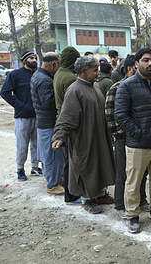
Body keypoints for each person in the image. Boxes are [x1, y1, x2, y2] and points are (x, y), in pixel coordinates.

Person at [115, 48, 151, 233]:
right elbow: (121, 115)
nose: (150, 63)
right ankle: (132, 215)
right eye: (145, 60)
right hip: (138, 144)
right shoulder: (127, 86)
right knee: (133, 182)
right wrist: (138, 133)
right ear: (136, 64)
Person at [52, 56, 115, 214]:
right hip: (84, 140)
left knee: (101, 164)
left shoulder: (95, 88)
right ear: (83, 71)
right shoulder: (74, 90)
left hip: (99, 137)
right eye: (94, 71)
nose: (97, 73)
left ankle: (100, 195)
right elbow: (66, 117)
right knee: (86, 167)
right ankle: (87, 199)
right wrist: (59, 136)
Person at [105, 55, 150, 219]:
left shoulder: (144, 86)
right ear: (130, 68)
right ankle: (120, 204)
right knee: (123, 174)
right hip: (124, 139)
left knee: (142, 173)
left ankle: (141, 200)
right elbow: (110, 115)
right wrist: (120, 136)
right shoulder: (117, 87)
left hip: (140, 140)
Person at [0, 51, 40, 180]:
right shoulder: (15, 75)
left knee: (36, 144)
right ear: (24, 61)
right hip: (22, 116)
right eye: (31, 58)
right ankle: (20, 168)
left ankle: (35, 167)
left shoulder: (38, 74)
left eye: (35, 58)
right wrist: (20, 106)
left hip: (38, 116)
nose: (34, 60)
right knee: (22, 145)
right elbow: (5, 92)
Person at [30, 52, 64, 195]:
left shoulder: (39, 75)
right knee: (51, 156)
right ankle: (52, 184)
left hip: (44, 122)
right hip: (48, 123)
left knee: (53, 155)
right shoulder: (44, 80)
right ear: (53, 64)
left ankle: (55, 179)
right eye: (58, 65)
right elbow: (48, 102)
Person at [54, 46, 81, 204]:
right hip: (69, 123)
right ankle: (72, 195)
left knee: (67, 160)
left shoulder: (59, 73)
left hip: (61, 118)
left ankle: (70, 193)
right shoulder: (70, 78)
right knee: (72, 161)